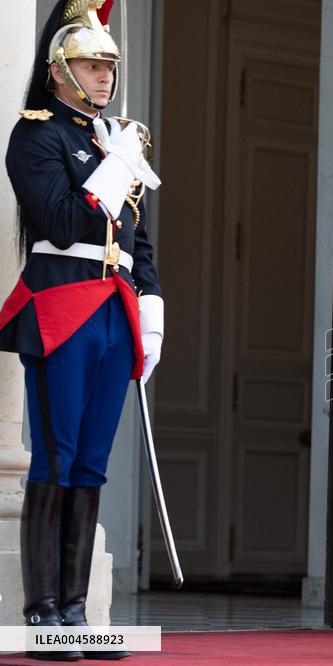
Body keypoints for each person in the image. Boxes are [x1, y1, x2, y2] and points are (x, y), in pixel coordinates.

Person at [0, 0, 163, 660]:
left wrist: (150, 307)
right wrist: (114, 166)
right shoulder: (35, 135)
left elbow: (138, 238)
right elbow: (64, 222)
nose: (105, 78)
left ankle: (76, 610)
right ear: (60, 71)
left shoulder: (113, 138)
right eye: (94, 66)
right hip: (62, 304)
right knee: (57, 456)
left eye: (110, 68)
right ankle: (43, 613)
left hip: (113, 310)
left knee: (92, 463)